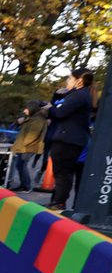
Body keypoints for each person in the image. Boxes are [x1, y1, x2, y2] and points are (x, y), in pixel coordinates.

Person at [47, 68, 95, 211]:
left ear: (78, 80)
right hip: (69, 138)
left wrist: (50, 108)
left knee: (63, 172)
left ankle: (59, 202)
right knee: (61, 171)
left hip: (68, 139)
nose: (67, 81)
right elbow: (59, 107)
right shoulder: (76, 95)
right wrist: (56, 98)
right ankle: (58, 201)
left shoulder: (79, 96)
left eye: (69, 78)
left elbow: (60, 112)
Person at [10, 101, 47, 192]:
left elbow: (32, 135)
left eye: (26, 108)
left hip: (28, 147)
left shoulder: (38, 120)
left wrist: (21, 144)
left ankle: (26, 185)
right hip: (25, 146)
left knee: (22, 165)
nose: (24, 110)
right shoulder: (32, 118)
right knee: (20, 165)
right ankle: (24, 184)